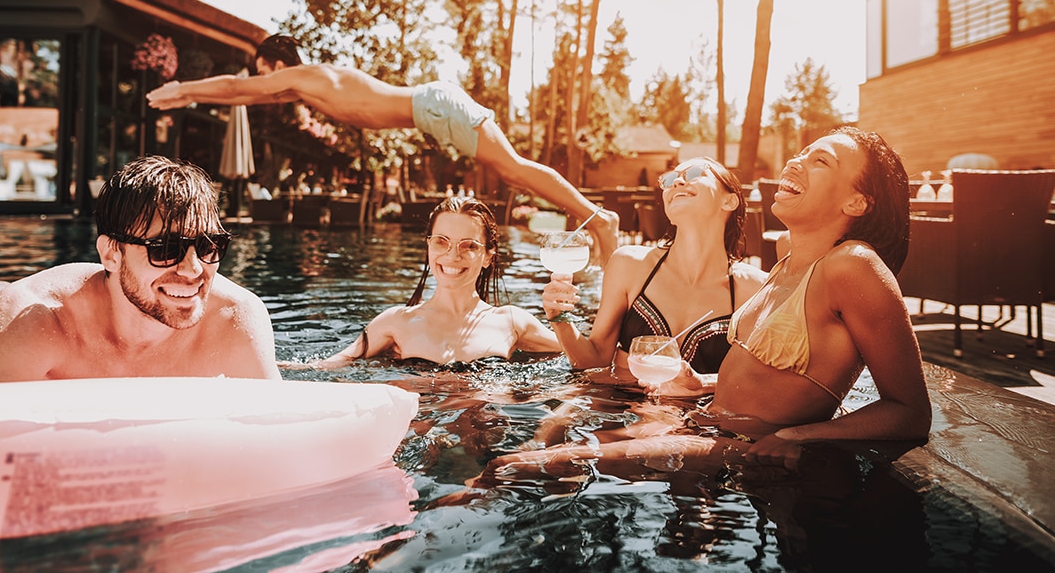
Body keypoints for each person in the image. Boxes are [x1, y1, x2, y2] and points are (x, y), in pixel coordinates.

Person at [483, 127, 931, 478]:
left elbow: (910, 412)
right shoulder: (786, 264)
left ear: (856, 200)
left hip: (739, 443)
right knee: (529, 452)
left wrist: (802, 435)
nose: (796, 161)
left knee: (516, 469)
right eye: (802, 152)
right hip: (702, 421)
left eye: (820, 160)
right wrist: (701, 383)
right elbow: (765, 376)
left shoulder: (852, 266)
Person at [146, 34, 620, 264]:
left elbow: (237, 87)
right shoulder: (306, 86)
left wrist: (184, 89)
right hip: (433, 109)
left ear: (275, 63)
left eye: (263, 68)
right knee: (513, 170)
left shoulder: (305, 75)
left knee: (514, 169)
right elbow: (247, 91)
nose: (262, 79)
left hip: (434, 107)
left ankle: (600, 220)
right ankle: (596, 220)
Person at [0, 155, 280, 394]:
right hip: (19, 320)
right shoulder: (36, 321)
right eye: (165, 250)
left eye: (210, 246)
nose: (194, 269)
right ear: (110, 253)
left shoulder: (236, 320)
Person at [544, 157, 768, 383]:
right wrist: (560, 319)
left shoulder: (753, 289)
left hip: (698, 414)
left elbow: (759, 382)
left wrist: (704, 384)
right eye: (669, 180)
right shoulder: (629, 265)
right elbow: (593, 361)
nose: (677, 182)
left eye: (694, 174)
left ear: (729, 201)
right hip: (620, 407)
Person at [316, 196, 562, 366]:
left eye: (469, 245)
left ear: (488, 256)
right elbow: (327, 368)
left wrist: (558, 316)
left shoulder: (512, 321)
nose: (453, 256)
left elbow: (583, 357)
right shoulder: (396, 321)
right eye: (441, 241)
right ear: (428, 246)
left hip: (488, 437)